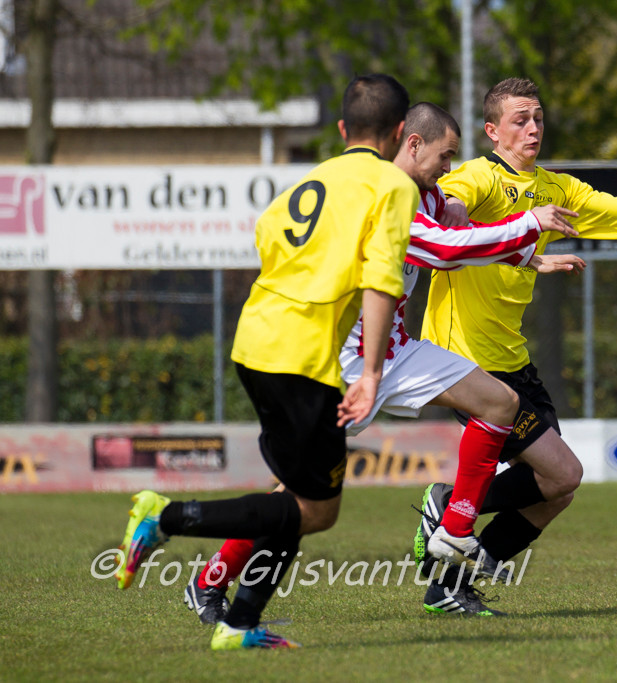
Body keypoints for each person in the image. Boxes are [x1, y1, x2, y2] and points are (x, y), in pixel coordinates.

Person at [182, 102, 586, 621]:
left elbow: (458, 240)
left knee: (499, 402)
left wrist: (527, 256)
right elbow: (443, 250)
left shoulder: (428, 193)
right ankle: (209, 581)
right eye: (444, 156)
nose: (448, 168)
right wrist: (528, 225)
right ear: (411, 144)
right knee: (299, 498)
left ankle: (455, 528)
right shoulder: (387, 194)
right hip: (349, 366)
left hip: (397, 349)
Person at [111, 73, 420, 650]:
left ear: (342, 129)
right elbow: (383, 282)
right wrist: (372, 372)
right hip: (300, 355)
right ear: (401, 132)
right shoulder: (392, 185)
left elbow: (267, 237)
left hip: (255, 340)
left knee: (297, 502)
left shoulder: (310, 181)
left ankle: (239, 625)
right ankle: (166, 518)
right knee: (317, 511)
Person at [416, 77, 617, 613]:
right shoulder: (479, 176)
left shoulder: (557, 189)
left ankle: (449, 586)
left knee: (557, 490)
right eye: (519, 120)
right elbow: (451, 203)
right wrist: (461, 210)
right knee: (564, 473)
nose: (533, 128)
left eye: (538, 118)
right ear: (492, 131)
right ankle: (447, 507)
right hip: (467, 360)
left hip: (512, 358)